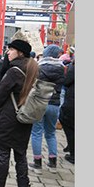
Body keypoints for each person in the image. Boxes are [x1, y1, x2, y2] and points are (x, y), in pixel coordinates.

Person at [0, 38, 38, 187]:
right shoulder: (32, 68)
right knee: (21, 155)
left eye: (11, 49)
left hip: (9, 117)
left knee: (4, 154)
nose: (8, 52)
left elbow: (0, 95)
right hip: (25, 118)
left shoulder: (14, 70)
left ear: (20, 52)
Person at [29, 44, 66, 174]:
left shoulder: (39, 67)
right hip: (54, 104)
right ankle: (52, 163)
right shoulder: (62, 69)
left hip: (40, 103)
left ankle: (37, 163)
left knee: (36, 132)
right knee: (50, 133)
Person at [60, 58, 75, 164]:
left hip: (72, 102)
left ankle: (73, 153)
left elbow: (66, 82)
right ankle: (70, 146)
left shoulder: (74, 69)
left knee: (69, 126)